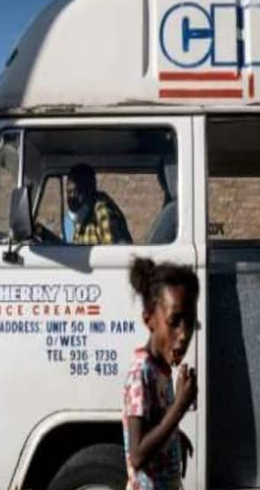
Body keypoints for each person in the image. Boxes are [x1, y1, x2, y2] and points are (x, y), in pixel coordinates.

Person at [123, 257, 199, 490]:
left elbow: (155, 426)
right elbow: (137, 456)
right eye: (174, 321)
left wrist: (174, 437)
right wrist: (178, 408)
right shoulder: (141, 374)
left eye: (190, 322)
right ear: (149, 321)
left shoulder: (162, 370)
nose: (184, 334)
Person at [67, 164, 132, 245]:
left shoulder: (102, 211)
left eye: (77, 192)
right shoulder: (82, 216)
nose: (72, 197)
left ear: (90, 190)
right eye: (69, 192)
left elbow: (114, 253)